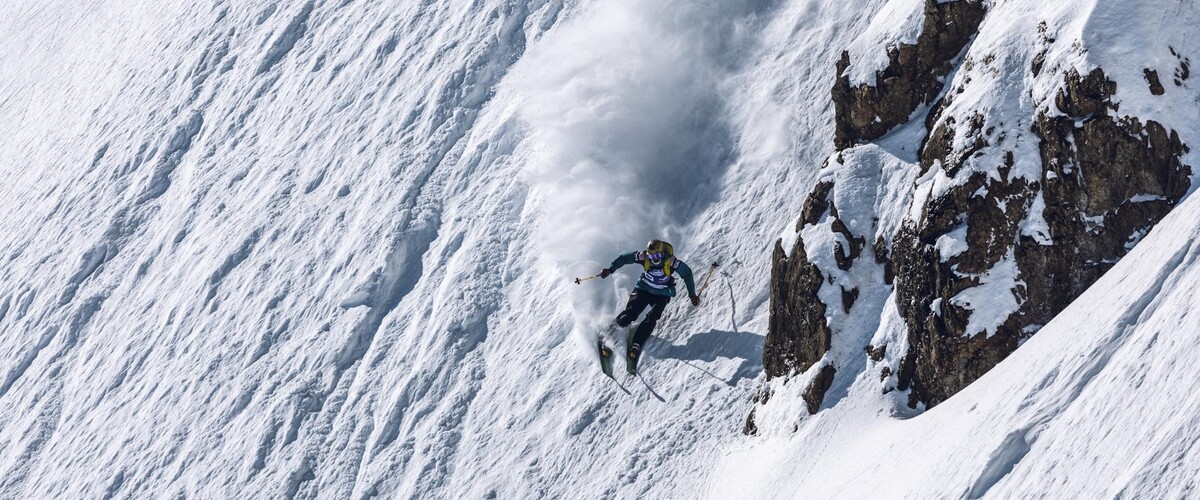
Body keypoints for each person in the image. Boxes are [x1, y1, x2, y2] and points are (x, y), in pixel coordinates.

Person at [600, 239, 700, 365]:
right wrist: (611, 269)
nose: (654, 259)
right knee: (631, 313)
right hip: (643, 289)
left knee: (652, 318)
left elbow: (687, 273)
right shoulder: (644, 257)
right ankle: (611, 330)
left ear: (662, 252)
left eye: (657, 255)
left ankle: (637, 342)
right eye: (651, 255)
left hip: (662, 293)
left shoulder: (671, 261)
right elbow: (625, 258)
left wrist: (692, 295)